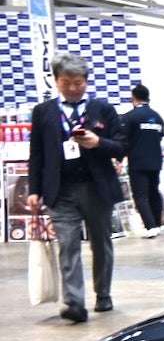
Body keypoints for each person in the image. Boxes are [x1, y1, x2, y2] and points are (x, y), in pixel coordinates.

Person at [27, 54, 126, 323]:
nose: (73, 88)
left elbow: (121, 145)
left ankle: (103, 293)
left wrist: (98, 143)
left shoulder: (103, 108)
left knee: (101, 244)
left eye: (78, 82)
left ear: (86, 81)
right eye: (66, 82)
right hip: (60, 191)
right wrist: (34, 189)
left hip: (97, 187)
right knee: (67, 244)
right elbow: (37, 154)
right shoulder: (43, 112)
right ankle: (73, 302)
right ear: (56, 81)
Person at [120, 83, 164, 238]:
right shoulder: (158, 117)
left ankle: (150, 226)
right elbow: (160, 137)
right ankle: (158, 224)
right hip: (156, 161)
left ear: (133, 98)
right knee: (154, 192)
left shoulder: (129, 117)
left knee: (140, 195)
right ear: (148, 98)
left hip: (138, 162)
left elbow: (124, 141)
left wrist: (119, 159)